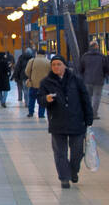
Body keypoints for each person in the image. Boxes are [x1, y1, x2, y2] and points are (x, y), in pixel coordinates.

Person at [40, 56, 93, 188]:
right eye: (53, 65)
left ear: (65, 65)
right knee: (60, 152)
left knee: (77, 152)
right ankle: (64, 177)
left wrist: (88, 118)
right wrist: (46, 99)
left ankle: (73, 171)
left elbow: (85, 99)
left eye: (58, 64)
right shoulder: (46, 82)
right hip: (57, 122)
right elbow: (40, 99)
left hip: (76, 120)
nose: (56, 67)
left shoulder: (76, 80)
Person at [78, 40, 107, 120]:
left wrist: (84, 76)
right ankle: (94, 114)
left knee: (88, 97)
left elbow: (80, 68)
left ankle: (88, 113)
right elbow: (106, 68)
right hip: (99, 80)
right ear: (97, 47)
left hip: (87, 80)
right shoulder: (102, 56)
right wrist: (103, 76)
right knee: (97, 97)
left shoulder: (85, 56)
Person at [24, 49, 52, 118]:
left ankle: (31, 112)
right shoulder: (48, 62)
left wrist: (31, 77)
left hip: (33, 84)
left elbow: (27, 71)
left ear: (37, 53)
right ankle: (41, 114)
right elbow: (51, 73)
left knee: (32, 99)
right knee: (42, 100)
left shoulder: (32, 61)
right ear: (44, 54)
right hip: (44, 85)